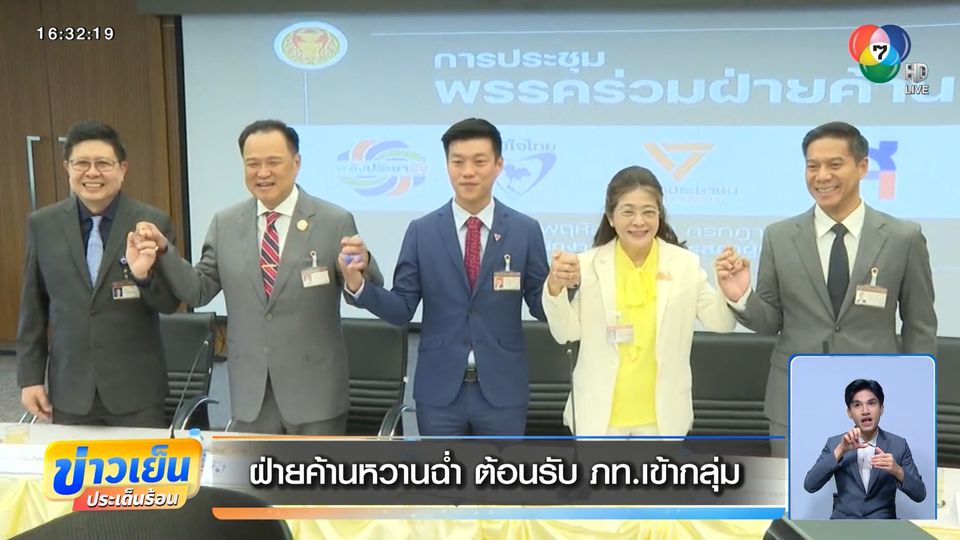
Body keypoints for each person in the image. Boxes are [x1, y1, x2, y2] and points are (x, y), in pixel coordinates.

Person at [139, 119, 383, 435]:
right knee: (254, 470)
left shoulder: (332, 220)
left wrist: (360, 270)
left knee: (316, 469)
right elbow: (198, 290)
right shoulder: (225, 223)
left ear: (296, 163)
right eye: (252, 164)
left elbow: (367, 290)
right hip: (251, 391)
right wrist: (163, 252)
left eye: (273, 162)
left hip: (316, 392)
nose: (262, 173)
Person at [714, 121, 937, 457]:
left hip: (874, 404)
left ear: (862, 166)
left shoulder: (902, 238)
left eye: (834, 164)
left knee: (870, 490)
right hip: (795, 401)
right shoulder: (779, 237)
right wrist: (741, 295)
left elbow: (920, 326)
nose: (821, 176)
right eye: (812, 166)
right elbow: (769, 321)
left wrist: (915, 397)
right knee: (793, 489)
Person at [339, 118, 549, 436]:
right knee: (442, 470)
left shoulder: (525, 230)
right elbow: (401, 308)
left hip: (503, 390)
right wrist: (358, 284)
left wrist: (558, 288)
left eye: (479, 162)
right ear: (447, 165)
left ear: (499, 165)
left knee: (500, 470)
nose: (468, 172)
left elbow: (540, 305)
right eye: (458, 162)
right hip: (439, 393)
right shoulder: (422, 231)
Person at [542, 166, 735, 436]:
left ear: (659, 215)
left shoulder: (684, 265)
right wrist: (555, 288)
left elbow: (721, 323)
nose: (639, 221)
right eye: (628, 212)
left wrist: (729, 290)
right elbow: (566, 333)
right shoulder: (588, 265)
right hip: (600, 417)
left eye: (648, 212)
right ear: (610, 217)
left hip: (661, 418)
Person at [17, 122, 179, 427]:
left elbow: (170, 302)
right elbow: (32, 309)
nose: (92, 173)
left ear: (123, 169)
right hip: (70, 390)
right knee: (72, 462)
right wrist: (30, 378)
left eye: (103, 163)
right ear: (67, 168)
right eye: (81, 163)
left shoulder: (151, 222)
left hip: (137, 392)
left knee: (139, 461)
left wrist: (143, 277)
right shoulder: (43, 225)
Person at [803, 379, 926, 518]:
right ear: (849, 412)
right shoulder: (835, 443)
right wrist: (840, 450)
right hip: (844, 525)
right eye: (857, 405)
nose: (865, 411)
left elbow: (920, 494)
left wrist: (897, 470)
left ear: (881, 408)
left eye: (871, 403)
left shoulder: (898, 444)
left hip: (882, 526)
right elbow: (810, 485)